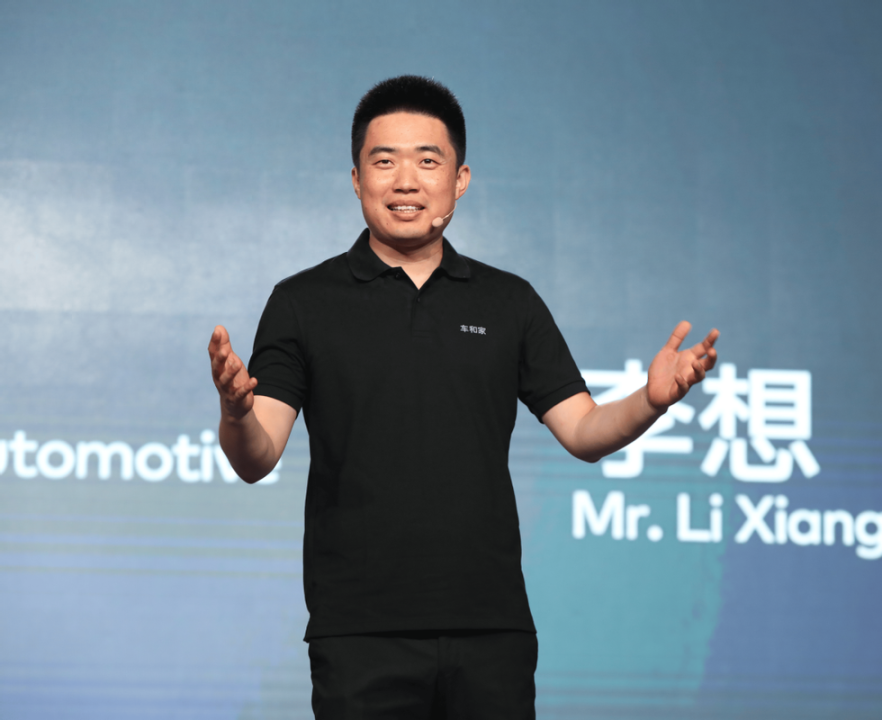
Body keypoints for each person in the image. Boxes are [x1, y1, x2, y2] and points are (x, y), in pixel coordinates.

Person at [207, 75, 717, 720]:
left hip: (491, 629)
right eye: (384, 162)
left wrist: (651, 399)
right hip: (360, 631)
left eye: (428, 161)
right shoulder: (302, 302)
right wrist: (235, 412)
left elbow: (584, 432)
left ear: (461, 178)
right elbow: (257, 457)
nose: (405, 181)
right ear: (357, 179)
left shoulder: (509, 301)